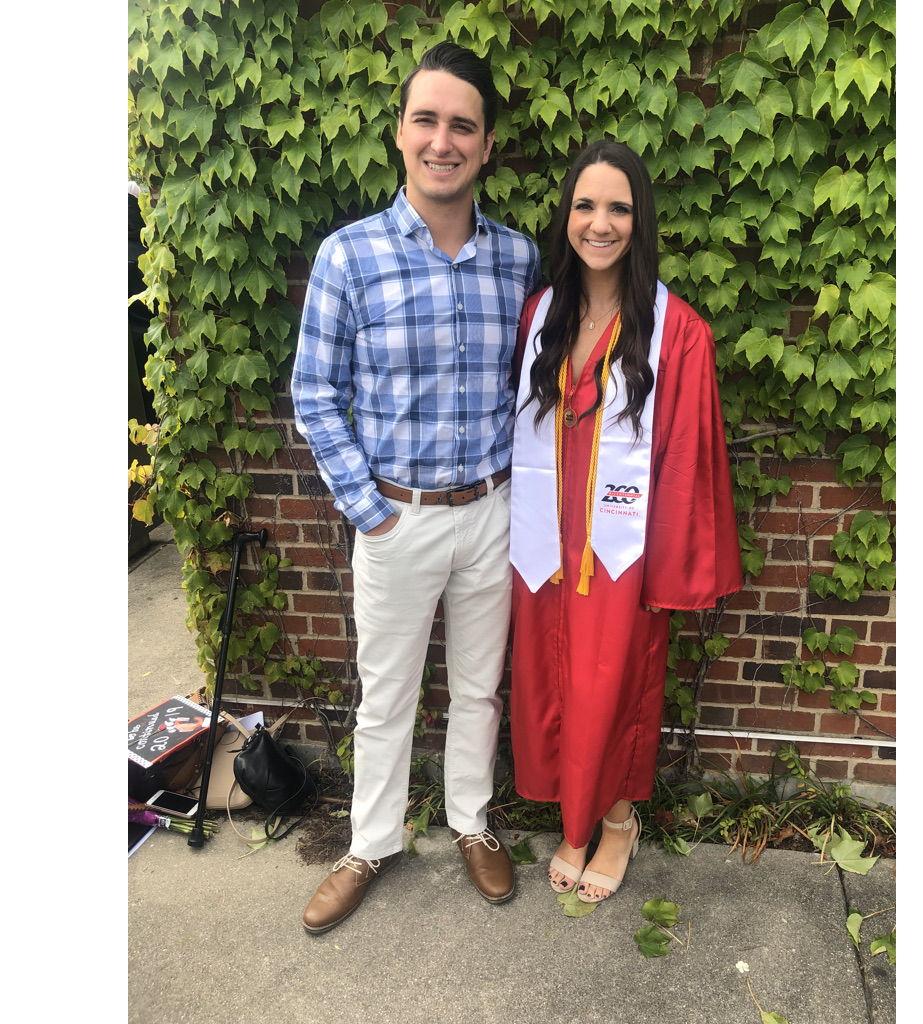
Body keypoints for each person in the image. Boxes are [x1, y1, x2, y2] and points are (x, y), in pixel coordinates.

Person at [292, 42, 540, 935]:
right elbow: (314, 392)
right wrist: (371, 512)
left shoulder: (518, 260)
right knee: (387, 695)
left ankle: (472, 821)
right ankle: (370, 844)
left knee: (479, 689)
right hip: (396, 516)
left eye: (462, 125)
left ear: (487, 145)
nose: (444, 140)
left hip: (492, 513)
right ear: (400, 133)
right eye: (426, 120)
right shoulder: (349, 257)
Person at [509, 141, 743, 903]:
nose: (599, 223)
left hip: (620, 549)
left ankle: (615, 821)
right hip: (545, 544)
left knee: (612, 683)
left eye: (618, 208)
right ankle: (574, 819)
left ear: (640, 222)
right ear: (566, 216)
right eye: (585, 205)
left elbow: (684, 462)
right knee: (553, 681)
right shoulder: (541, 315)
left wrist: (662, 574)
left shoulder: (677, 331)